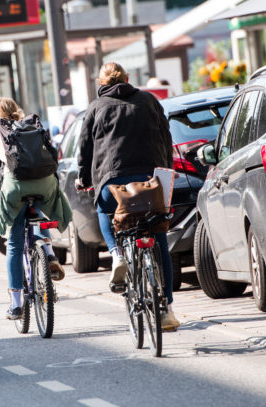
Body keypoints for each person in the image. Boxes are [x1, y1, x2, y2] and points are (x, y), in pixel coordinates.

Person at [75, 62, 180, 331]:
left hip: (113, 187)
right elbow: (166, 138)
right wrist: (166, 172)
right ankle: (166, 309)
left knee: (102, 208)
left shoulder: (95, 108)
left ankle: (116, 254)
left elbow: (85, 149)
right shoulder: (149, 100)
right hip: (149, 184)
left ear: (101, 82)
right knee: (158, 240)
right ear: (129, 78)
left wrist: (84, 178)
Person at [0, 97, 72, 320]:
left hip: (15, 187)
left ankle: (17, 304)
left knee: (14, 243)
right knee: (41, 211)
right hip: (46, 183)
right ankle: (48, 252)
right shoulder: (34, 126)